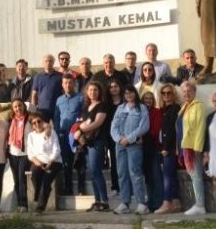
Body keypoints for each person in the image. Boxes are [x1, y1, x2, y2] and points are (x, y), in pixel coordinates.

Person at [110, 85, 150, 214]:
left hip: (134, 145)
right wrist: (119, 139)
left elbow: (143, 127)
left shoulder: (141, 108)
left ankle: (141, 203)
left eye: (131, 93)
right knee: (122, 173)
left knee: (135, 173)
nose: (128, 95)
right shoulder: (120, 108)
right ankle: (125, 203)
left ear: (135, 93)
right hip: (120, 145)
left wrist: (130, 138)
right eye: (126, 93)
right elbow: (113, 127)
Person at [76, 81, 110, 212]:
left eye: (95, 90)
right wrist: (79, 133)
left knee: (96, 170)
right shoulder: (86, 107)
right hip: (88, 143)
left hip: (98, 141)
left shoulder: (102, 105)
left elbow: (97, 123)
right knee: (91, 172)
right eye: (90, 90)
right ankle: (97, 201)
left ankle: (104, 201)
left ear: (99, 92)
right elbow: (83, 122)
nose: (92, 92)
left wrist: (81, 130)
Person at [180, 81, 208, 215]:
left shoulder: (199, 106)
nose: (186, 93)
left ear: (194, 92)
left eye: (189, 91)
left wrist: (198, 147)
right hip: (186, 146)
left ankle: (200, 205)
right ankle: (198, 203)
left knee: (196, 176)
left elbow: (200, 126)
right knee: (193, 175)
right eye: (184, 91)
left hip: (193, 147)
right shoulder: (185, 106)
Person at [52, 73, 83, 195]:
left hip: (77, 135)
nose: (68, 85)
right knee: (66, 163)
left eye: (70, 82)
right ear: (62, 85)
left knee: (79, 162)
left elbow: (83, 115)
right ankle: (68, 188)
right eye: (65, 83)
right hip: (63, 135)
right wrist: (57, 131)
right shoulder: (59, 100)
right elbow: (56, 118)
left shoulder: (81, 98)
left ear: (74, 84)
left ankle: (81, 189)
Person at [26, 112, 62, 212]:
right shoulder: (31, 136)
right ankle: (40, 195)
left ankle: (40, 207)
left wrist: (50, 162)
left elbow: (57, 149)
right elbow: (30, 153)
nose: (37, 124)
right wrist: (38, 163)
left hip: (53, 161)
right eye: (34, 123)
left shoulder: (51, 132)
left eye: (39, 121)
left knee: (46, 181)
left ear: (43, 122)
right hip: (38, 162)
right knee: (34, 174)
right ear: (32, 125)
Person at [156, 84, 183, 213]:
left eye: (169, 93)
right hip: (164, 147)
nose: (166, 95)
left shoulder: (175, 108)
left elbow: (172, 130)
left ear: (174, 94)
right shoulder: (163, 109)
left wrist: (166, 148)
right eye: (163, 93)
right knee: (171, 175)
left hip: (171, 148)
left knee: (166, 175)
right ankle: (176, 202)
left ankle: (166, 202)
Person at [141, 90, 164, 211]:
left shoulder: (156, 112)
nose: (148, 100)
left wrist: (141, 136)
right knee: (148, 178)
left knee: (156, 175)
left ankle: (158, 203)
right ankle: (150, 202)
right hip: (141, 148)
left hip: (153, 147)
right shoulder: (139, 112)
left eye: (150, 98)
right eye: (146, 98)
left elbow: (155, 130)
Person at [6, 98, 31, 212]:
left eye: (19, 106)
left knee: (22, 179)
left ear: (23, 106)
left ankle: (24, 204)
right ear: (13, 108)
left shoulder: (29, 119)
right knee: (16, 180)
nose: (18, 108)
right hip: (13, 153)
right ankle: (19, 204)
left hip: (25, 153)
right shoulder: (11, 120)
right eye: (15, 107)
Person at [31, 54, 63, 120]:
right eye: (46, 61)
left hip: (57, 109)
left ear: (53, 63)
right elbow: (34, 94)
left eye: (50, 61)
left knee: (57, 129)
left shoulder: (60, 76)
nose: (48, 63)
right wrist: (33, 110)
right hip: (42, 110)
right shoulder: (37, 77)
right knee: (43, 129)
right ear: (43, 63)